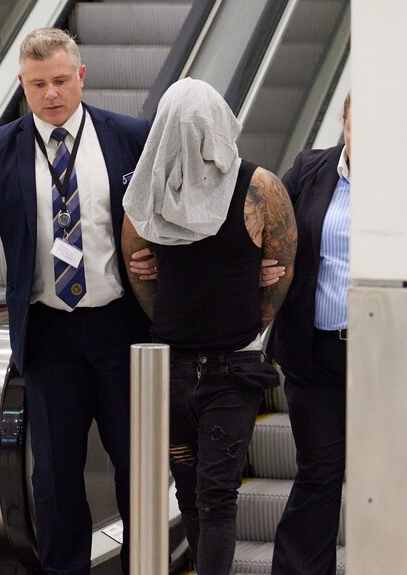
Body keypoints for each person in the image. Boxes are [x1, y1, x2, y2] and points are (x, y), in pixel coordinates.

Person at [0, 27, 156, 575]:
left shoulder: (130, 137)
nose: (51, 94)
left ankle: (146, 566)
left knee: (137, 465)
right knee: (54, 475)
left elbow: (170, 223)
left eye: (61, 81)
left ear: (81, 77)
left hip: (123, 328)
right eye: (38, 84)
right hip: (49, 335)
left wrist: (158, 261)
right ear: (22, 85)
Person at [120, 78, 297, 575]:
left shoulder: (259, 187)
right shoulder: (150, 189)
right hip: (176, 365)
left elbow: (281, 271)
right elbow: (138, 270)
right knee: (191, 488)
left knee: (215, 494)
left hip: (229, 367)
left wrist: (238, 320)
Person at [269, 92, 352, 575]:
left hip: (386, 359)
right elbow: (261, 223)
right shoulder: (310, 169)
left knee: (387, 477)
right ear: (343, 123)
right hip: (315, 353)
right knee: (319, 473)